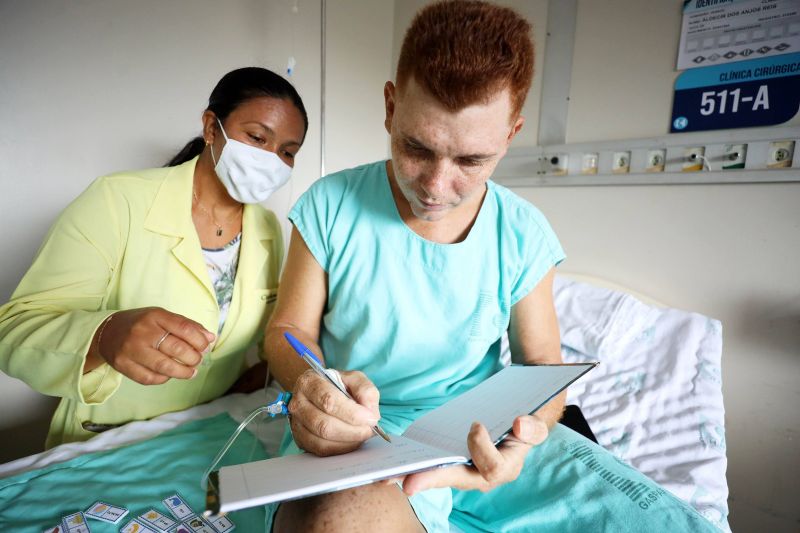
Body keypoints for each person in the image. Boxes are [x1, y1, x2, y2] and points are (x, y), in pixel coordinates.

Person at [262, 2, 720, 532]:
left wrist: (523, 435)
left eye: (471, 161)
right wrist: (317, 386)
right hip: (363, 431)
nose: (435, 186)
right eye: (416, 148)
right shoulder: (329, 206)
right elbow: (288, 331)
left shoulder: (523, 233)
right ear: (390, 107)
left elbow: (542, 365)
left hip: (481, 429)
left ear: (510, 134)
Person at [0, 67, 307, 449]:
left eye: (287, 152)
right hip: (107, 442)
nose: (271, 159)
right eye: (257, 137)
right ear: (212, 128)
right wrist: (105, 335)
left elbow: (261, 344)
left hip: (202, 439)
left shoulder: (266, 228)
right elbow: (13, 332)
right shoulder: (116, 201)